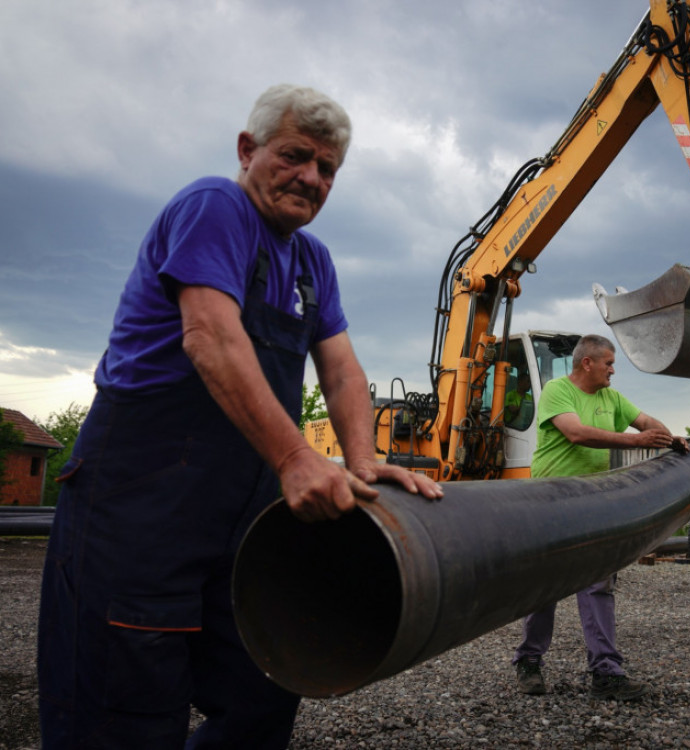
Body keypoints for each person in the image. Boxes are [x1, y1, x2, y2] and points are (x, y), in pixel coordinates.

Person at [37, 84, 443, 749]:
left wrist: (363, 461)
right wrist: (295, 457)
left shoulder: (313, 263)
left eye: (327, 169)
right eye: (295, 156)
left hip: (239, 514)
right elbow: (211, 337)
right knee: (124, 700)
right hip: (138, 502)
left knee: (265, 682)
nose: (310, 178)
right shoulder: (215, 207)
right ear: (247, 150)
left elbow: (341, 370)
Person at [510, 334, 688, 701]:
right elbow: (576, 434)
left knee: (598, 585)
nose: (612, 370)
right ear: (586, 363)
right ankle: (529, 661)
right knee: (546, 586)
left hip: (594, 501)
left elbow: (644, 421)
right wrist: (638, 443)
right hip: (552, 501)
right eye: (608, 363)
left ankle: (606, 673)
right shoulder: (558, 392)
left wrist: (668, 437)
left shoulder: (612, 398)